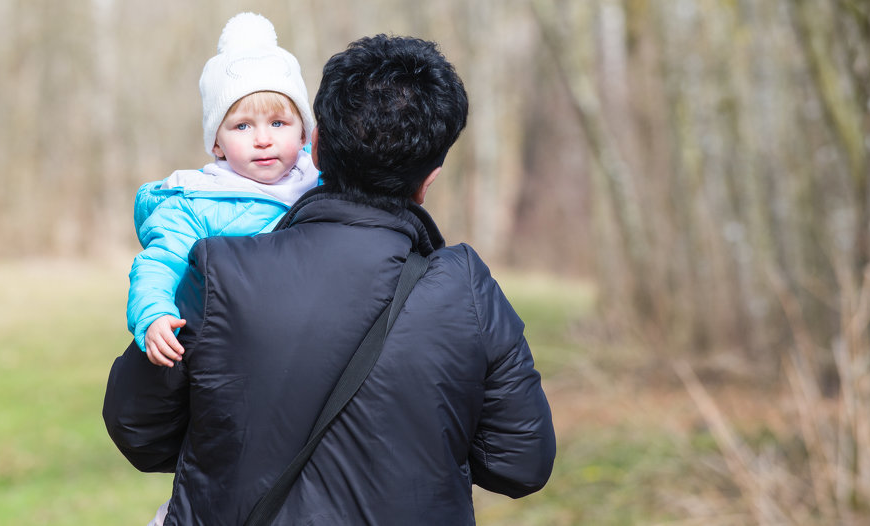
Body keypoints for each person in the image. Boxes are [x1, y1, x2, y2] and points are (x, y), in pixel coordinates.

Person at [104, 34, 555, 525]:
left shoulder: (220, 272)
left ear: (313, 145)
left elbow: (138, 429)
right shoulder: (468, 290)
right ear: (431, 177)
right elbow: (520, 463)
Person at [126, 11, 319, 368]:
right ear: (217, 143)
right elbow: (159, 262)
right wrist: (154, 315)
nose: (263, 139)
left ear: (304, 133)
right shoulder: (195, 204)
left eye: (278, 123)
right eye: (243, 126)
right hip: (240, 357)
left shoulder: (325, 184)